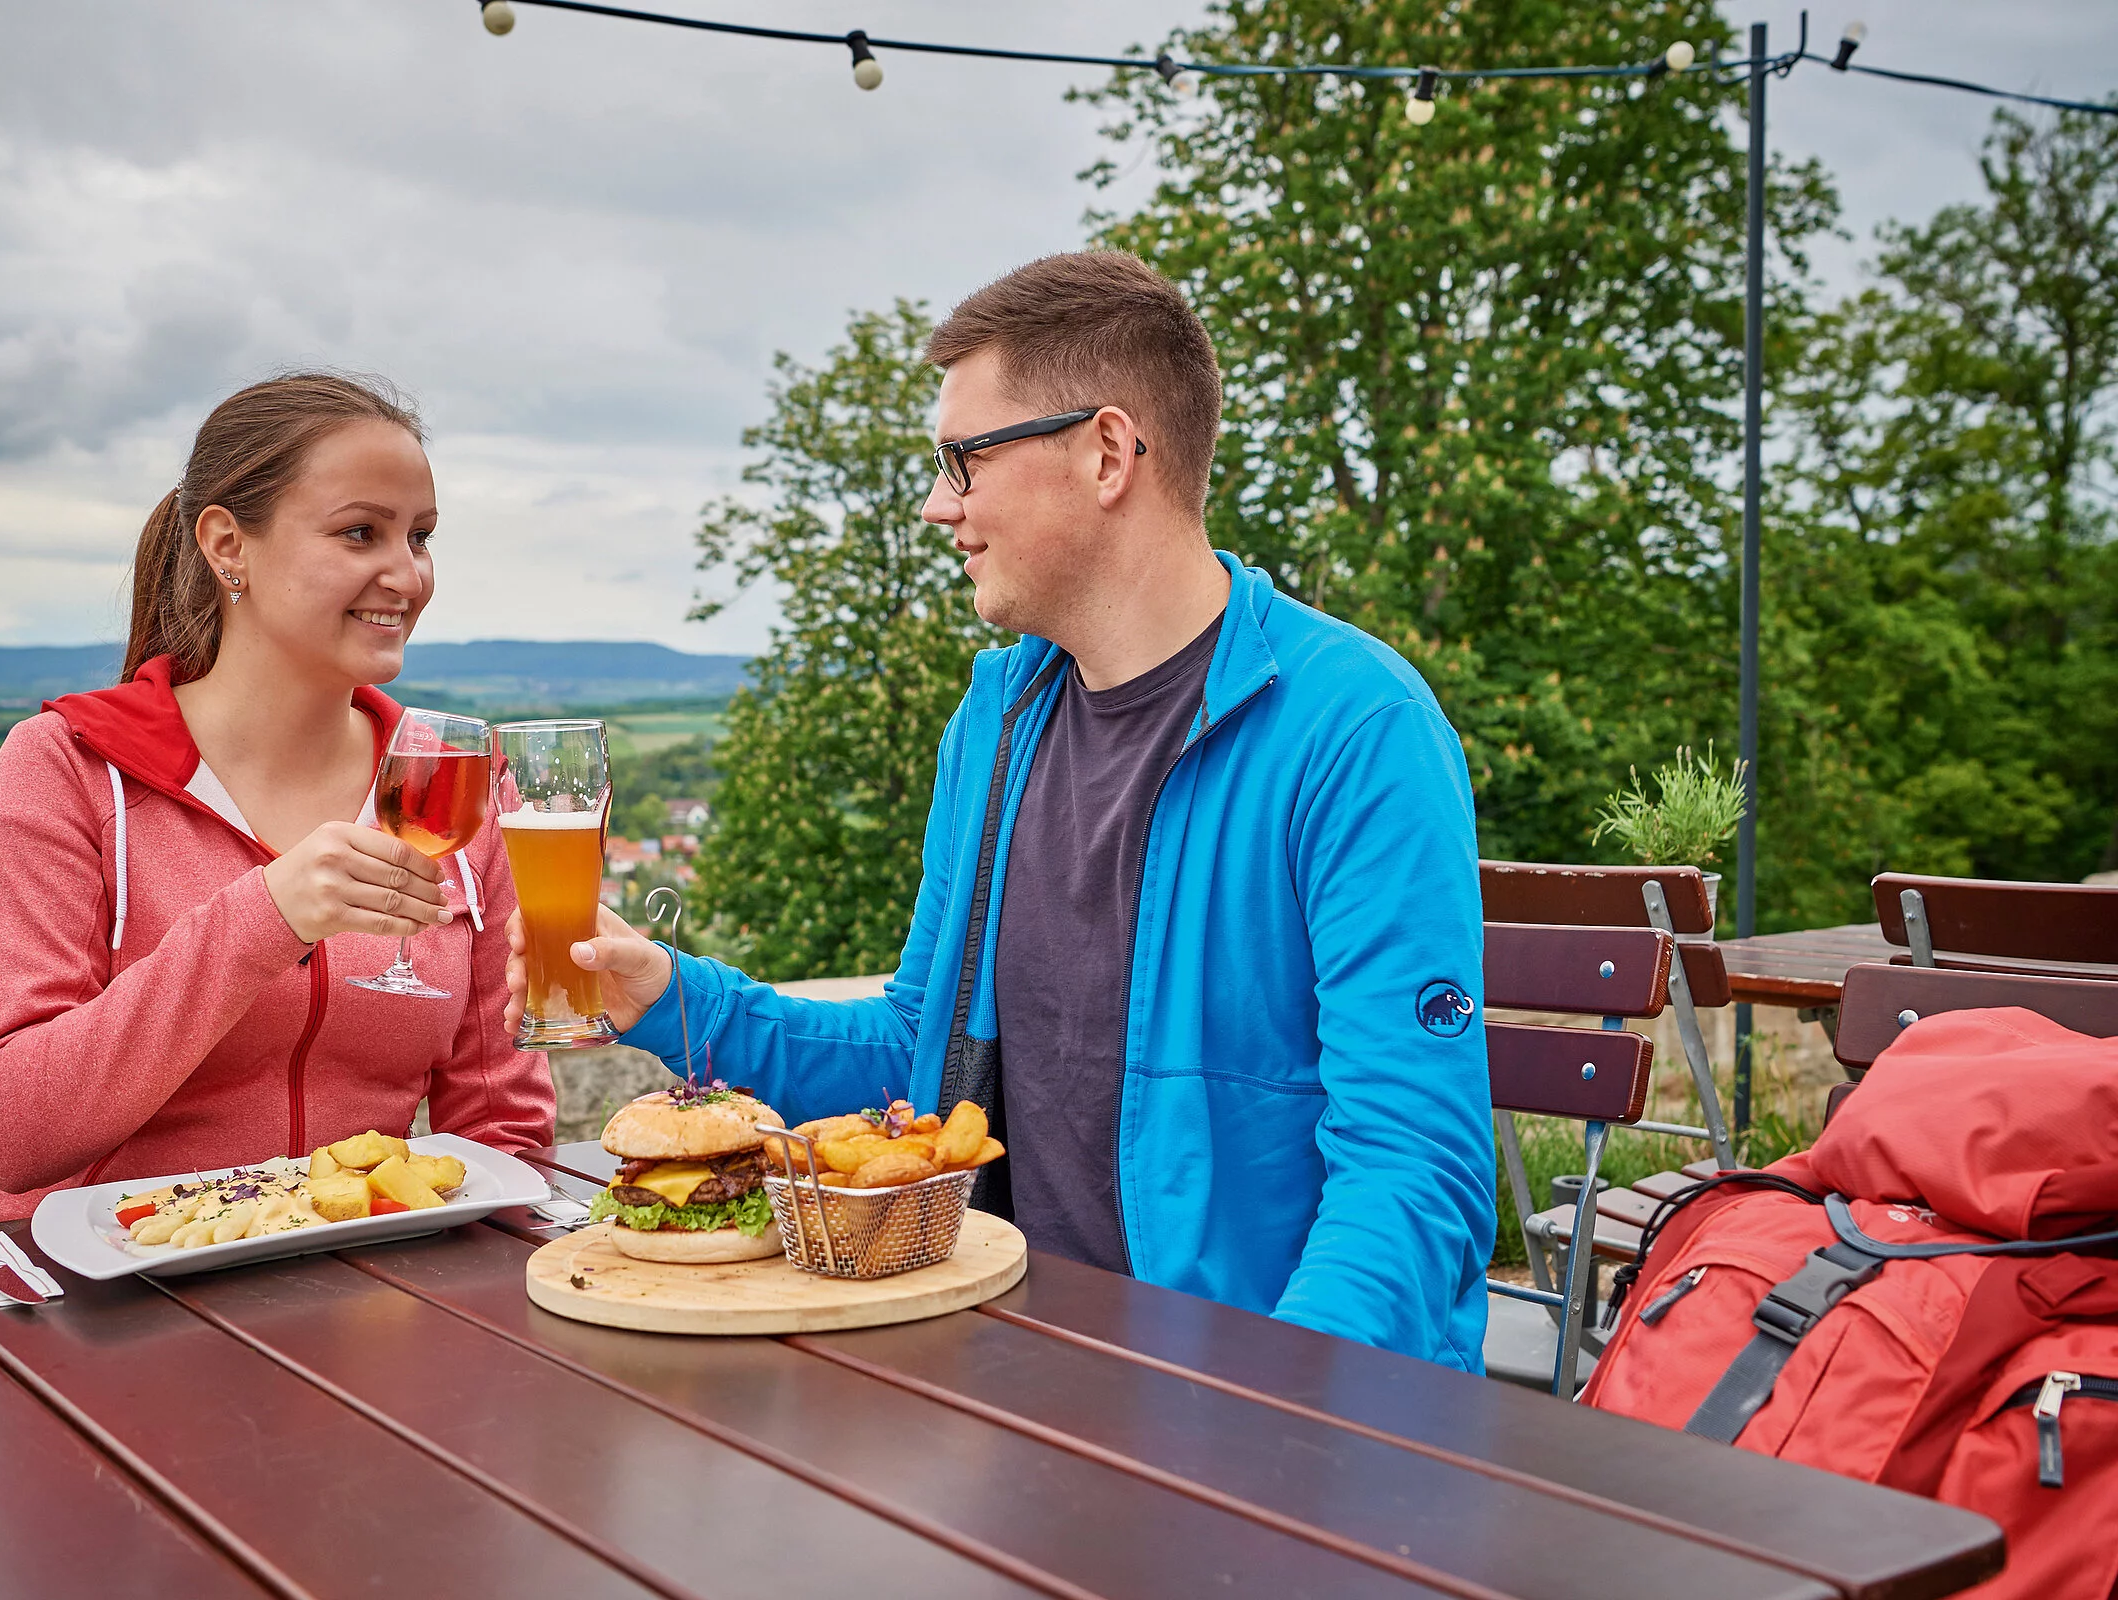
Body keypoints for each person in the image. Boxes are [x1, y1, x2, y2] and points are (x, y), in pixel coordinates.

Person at [512, 253, 1497, 1369]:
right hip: (1001, 1372)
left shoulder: (1353, 730)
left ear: (1108, 454)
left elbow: (1412, 1164)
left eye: (964, 460)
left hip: (1256, 1419)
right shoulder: (995, 725)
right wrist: (671, 999)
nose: (941, 505)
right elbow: (912, 1060)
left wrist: (1268, 1427)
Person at [0, 373, 552, 1220]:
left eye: (418, 537)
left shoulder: (451, 781)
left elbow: (501, 1130)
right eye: (359, 533)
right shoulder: (67, 770)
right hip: (117, 1295)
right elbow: (11, 1137)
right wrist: (262, 919)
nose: (407, 575)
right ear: (228, 544)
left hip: (368, 1297)